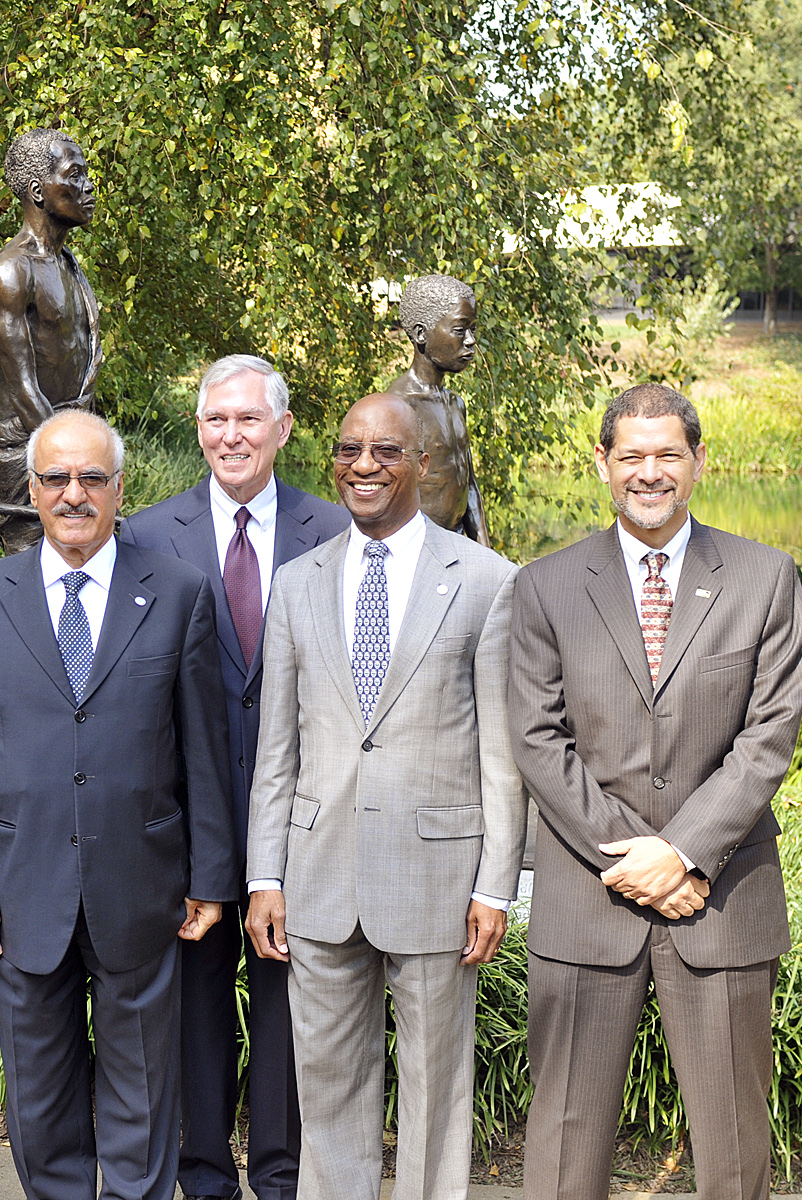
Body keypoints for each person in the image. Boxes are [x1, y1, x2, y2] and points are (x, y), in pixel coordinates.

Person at [510, 383, 802, 1200]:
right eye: (631, 456)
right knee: (565, 1153)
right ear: (602, 463)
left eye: (668, 454)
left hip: (721, 899)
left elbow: (768, 736)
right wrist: (633, 857)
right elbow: (538, 740)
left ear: (699, 462)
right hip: (586, 903)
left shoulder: (764, 577)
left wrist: (678, 853)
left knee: (734, 1152)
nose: (650, 472)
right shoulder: (546, 587)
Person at [0, 409, 237, 1200]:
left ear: (118, 488)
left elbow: (203, 750)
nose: (73, 494)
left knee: (143, 1091)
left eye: (91, 478)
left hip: (143, 885)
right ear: (29, 490)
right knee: (39, 1098)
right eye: (55, 478)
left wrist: (211, 878)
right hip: (21, 884)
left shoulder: (177, 593)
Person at [244, 393, 522, 1200]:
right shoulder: (298, 584)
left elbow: (501, 755)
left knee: (437, 1091)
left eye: (386, 451)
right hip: (319, 878)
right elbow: (278, 750)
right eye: (348, 449)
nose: (363, 465)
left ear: (423, 465)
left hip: (439, 882)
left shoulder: (484, 581)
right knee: (326, 1089)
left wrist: (494, 884)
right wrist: (267, 875)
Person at [120, 354, 350, 1200]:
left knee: (294, 1012)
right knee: (198, 1012)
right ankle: (205, 1175)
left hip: (306, 822)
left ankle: (285, 1179)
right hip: (184, 821)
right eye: (216, 420)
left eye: (248, 419)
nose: (231, 436)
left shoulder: (334, 534)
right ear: (199, 429)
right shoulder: (143, 536)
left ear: (283, 429)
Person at [0, 127, 104, 551]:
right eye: (74, 175)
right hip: (29, 445)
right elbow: (23, 391)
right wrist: (73, 464)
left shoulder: (69, 265)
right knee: (32, 577)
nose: (88, 187)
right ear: (37, 190)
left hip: (71, 440)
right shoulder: (11, 272)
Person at [383, 274, 488, 545]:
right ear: (421, 334)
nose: (471, 341)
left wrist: (485, 550)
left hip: (458, 546)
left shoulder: (456, 403)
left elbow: (468, 482)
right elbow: (367, 492)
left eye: (473, 329)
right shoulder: (396, 408)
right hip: (415, 552)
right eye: (460, 329)